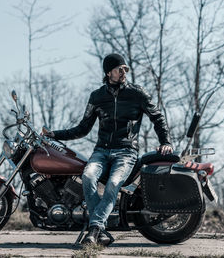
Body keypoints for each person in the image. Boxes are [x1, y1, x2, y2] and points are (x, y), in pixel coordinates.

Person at [46, 53, 173, 246]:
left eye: (125, 69)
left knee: (113, 184)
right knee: (87, 177)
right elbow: (82, 128)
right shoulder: (97, 97)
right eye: (119, 69)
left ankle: (94, 229)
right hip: (101, 152)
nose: (123, 72)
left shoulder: (137, 93)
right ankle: (100, 230)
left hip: (126, 152)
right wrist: (55, 135)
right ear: (108, 72)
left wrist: (165, 141)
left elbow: (157, 117)